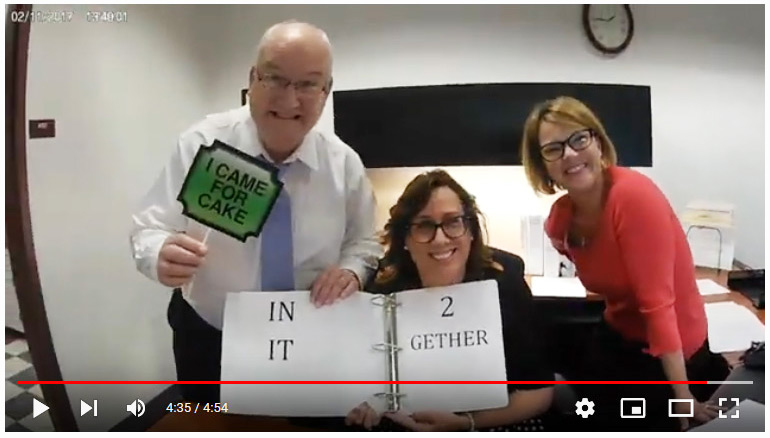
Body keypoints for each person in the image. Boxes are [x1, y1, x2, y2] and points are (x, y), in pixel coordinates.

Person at [129, 21, 382, 403]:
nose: (289, 100)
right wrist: (158, 253)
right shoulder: (201, 145)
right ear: (253, 79)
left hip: (311, 334)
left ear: (326, 91)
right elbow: (148, 227)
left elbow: (364, 241)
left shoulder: (344, 164)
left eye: (308, 84)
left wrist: (351, 271)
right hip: (210, 335)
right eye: (275, 78)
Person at [520, 96, 729, 431]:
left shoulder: (633, 196)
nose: (569, 153)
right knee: (581, 414)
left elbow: (658, 306)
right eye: (553, 149)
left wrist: (682, 396)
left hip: (674, 351)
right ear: (542, 164)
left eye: (578, 139)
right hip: (619, 333)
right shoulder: (559, 221)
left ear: (598, 142)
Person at [344, 169, 554, 432]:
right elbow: (368, 387)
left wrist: (466, 424)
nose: (440, 239)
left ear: (471, 231)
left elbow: (539, 393)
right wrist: (365, 404)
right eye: (424, 226)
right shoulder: (382, 293)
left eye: (453, 222)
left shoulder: (504, 284)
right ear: (405, 239)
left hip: (493, 423)